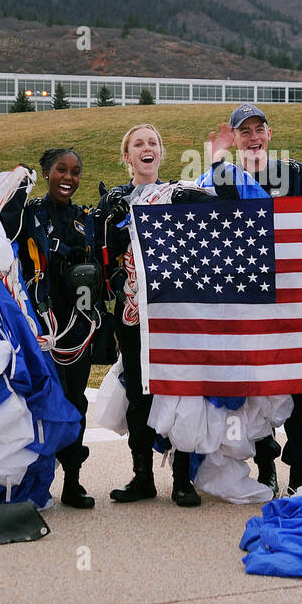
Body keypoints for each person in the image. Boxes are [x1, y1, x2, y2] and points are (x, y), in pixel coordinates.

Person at [206, 103, 302, 495]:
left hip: (297, 300)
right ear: (235, 139)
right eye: (245, 132)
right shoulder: (219, 178)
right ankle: (266, 464)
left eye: (260, 130)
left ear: (270, 135)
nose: (253, 138)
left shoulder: (295, 174)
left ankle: (300, 469)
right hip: (249, 303)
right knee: (258, 388)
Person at [93, 124, 202, 507]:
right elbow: (101, 253)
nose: (146, 147)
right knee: (140, 392)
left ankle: (182, 478)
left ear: (161, 152)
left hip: (176, 312)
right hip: (134, 311)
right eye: (138, 144)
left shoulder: (181, 194)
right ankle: (142, 476)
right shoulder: (115, 202)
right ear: (128, 157)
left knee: (181, 390)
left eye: (153, 142)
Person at [0, 148, 102, 509]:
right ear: (47, 173)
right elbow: (2, 230)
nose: (68, 178)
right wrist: (16, 189)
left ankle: (72, 481)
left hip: (77, 327)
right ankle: (32, 480)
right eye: (61, 170)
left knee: (75, 403)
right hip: (39, 326)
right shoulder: (30, 213)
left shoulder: (86, 218)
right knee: (36, 401)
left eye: (75, 172)